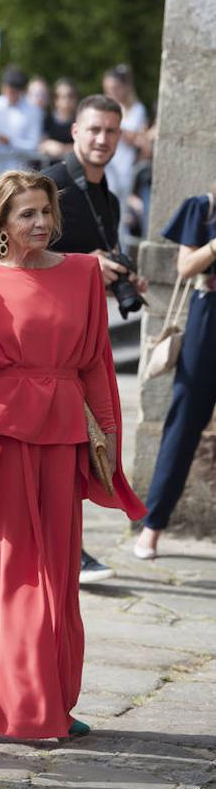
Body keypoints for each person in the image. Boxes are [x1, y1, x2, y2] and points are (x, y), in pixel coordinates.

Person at [0, 170, 144, 743]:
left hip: (63, 437)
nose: (38, 223)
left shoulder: (82, 272)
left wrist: (105, 442)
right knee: (5, 571)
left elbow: (97, 365)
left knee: (57, 570)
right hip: (4, 439)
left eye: (44, 212)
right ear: (1, 222)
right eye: (25, 214)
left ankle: (51, 695)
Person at [42, 93, 147, 583]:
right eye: (95, 130)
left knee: (83, 443)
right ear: (76, 132)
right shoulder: (51, 183)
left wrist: (120, 272)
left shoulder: (105, 193)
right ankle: (63, 549)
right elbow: (13, 255)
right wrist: (88, 265)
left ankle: (64, 546)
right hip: (44, 341)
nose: (103, 139)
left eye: (112, 131)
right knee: (62, 445)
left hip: (82, 337)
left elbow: (90, 251)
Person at [134, 190, 216, 559]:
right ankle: (153, 526)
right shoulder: (203, 206)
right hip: (208, 317)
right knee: (185, 420)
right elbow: (185, 266)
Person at [102, 64, 148, 243]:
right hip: (107, 166)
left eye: (114, 88)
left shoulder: (136, 109)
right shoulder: (108, 107)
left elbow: (137, 138)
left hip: (124, 168)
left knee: (119, 214)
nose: (111, 92)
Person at [39, 77, 79, 161]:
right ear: (56, 100)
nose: (67, 100)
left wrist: (62, 149)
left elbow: (84, 146)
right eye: (63, 97)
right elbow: (40, 144)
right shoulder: (47, 120)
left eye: (71, 96)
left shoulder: (80, 121)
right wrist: (46, 145)